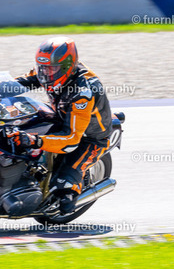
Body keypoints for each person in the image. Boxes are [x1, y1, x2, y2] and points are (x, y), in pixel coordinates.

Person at [8, 37, 112, 214]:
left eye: (51, 69)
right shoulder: (49, 72)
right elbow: (16, 84)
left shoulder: (83, 93)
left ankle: (69, 196)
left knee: (63, 189)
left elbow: (71, 139)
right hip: (61, 117)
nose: (45, 74)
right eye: (42, 68)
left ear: (66, 67)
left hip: (88, 138)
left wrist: (35, 141)